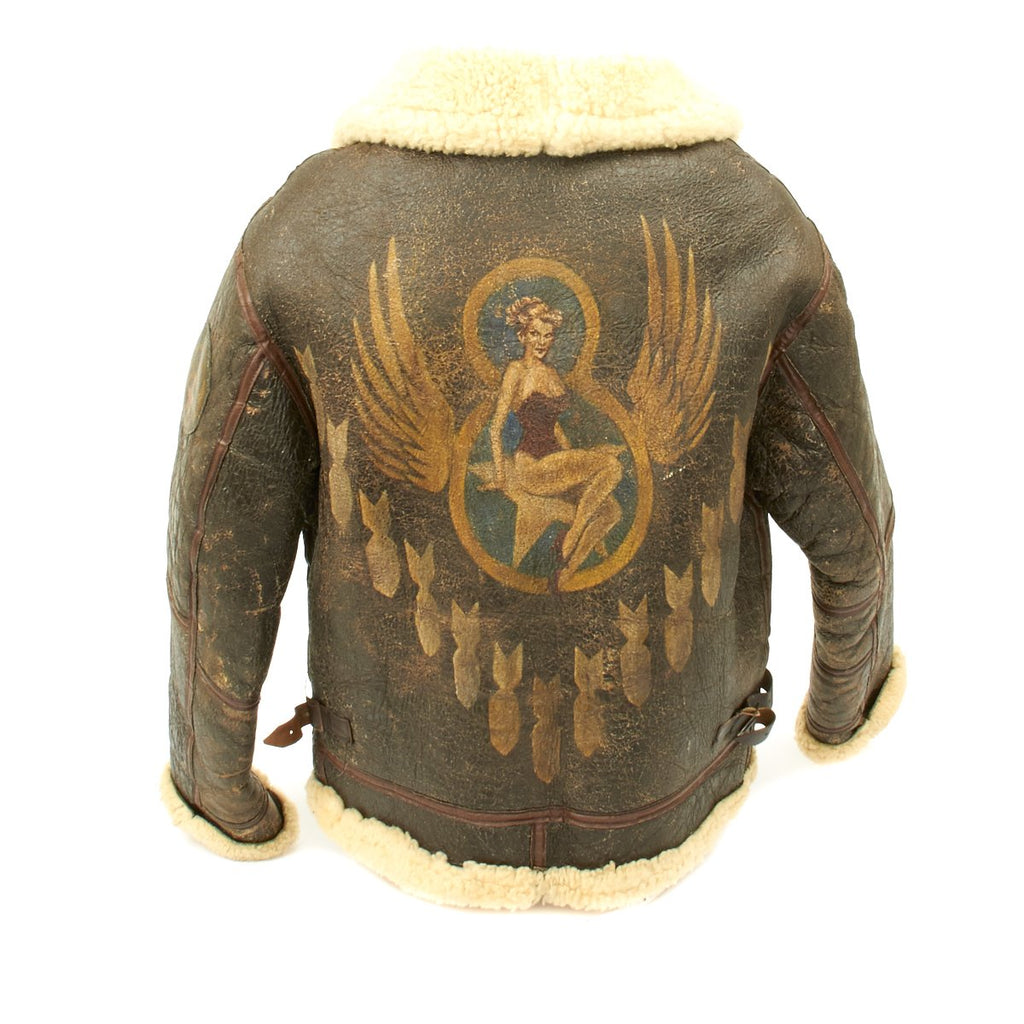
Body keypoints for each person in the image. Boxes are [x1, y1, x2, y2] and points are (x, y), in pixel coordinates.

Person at [484, 296, 624, 586]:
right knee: (612, 466)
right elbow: (496, 427)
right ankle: (571, 536)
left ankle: (566, 572)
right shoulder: (516, 371)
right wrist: (499, 477)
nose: (541, 342)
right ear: (522, 335)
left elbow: (555, 426)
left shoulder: (551, 373)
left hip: (556, 462)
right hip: (533, 466)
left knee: (611, 512)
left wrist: (577, 464)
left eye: (547, 335)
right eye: (535, 334)